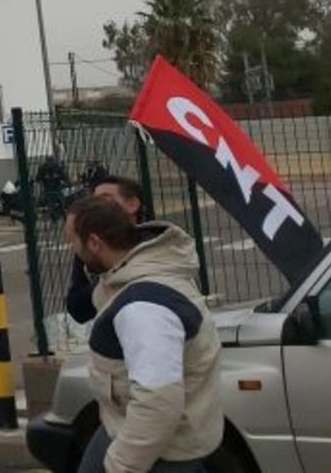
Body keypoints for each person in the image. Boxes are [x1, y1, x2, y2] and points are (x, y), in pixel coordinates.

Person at [64, 196, 223, 473]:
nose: (72, 249)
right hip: (129, 430)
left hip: (160, 455)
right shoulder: (136, 272)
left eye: (72, 240)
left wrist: (121, 466)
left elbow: (157, 403)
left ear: (94, 243)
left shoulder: (144, 308)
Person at [66, 176, 147, 324]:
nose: (98, 206)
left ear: (132, 205)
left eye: (106, 198)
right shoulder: (90, 248)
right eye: (94, 200)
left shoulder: (155, 243)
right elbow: (76, 308)